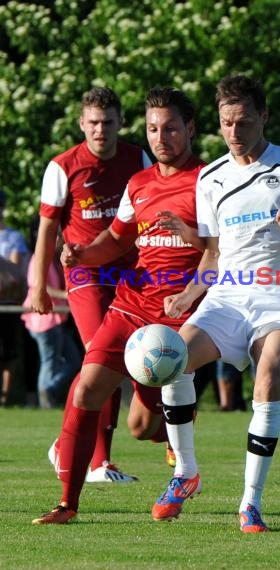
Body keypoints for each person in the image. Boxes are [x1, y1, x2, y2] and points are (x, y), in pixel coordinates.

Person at [150, 74, 280, 533]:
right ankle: (185, 473)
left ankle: (250, 502)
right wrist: (189, 294)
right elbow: (212, 257)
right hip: (227, 297)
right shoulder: (211, 176)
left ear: (264, 117)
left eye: (244, 122)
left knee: (269, 372)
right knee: (171, 361)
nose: (234, 133)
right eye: (226, 123)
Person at [32, 86, 206, 525]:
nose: (160, 137)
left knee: (139, 426)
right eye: (152, 128)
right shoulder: (139, 182)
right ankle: (67, 504)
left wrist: (191, 242)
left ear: (190, 129)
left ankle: (173, 437)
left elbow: (223, 250)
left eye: (170, 128)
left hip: (177, 315)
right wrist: (81, 255)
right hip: (130, 305)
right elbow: (115, 239)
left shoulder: (211, 181)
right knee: (85, 388)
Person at [31, 87, 151, 482]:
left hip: (132, 274)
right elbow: (47, 233)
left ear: (120, 123)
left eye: (108, 122)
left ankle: (81, 452)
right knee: (103, 356)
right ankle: (96, 462)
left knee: (116, 362)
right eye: (94, 123)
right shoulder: (63, 167)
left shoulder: (139, 158)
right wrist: (37, 286)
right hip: (86, 274)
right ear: (82, 123)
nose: (101, 130)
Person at [21, 216, 82, 408]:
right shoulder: (38, 260)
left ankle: (49, 389)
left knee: (73, 361)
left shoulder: (52, 260)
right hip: (44, 321)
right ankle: (45, 399)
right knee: (49, 363)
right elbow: (40, 288)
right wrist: (68, 295)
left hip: (55, 320)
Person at [0, 189, 29, 406]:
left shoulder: (13, 237)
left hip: (8, 303)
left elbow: (16, 275)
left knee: (9, 353)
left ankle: (5, 398)